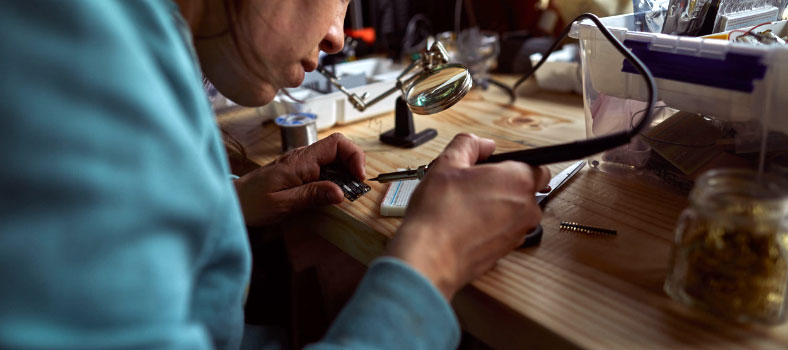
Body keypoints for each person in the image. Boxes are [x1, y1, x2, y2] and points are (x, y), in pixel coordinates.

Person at [0, 0, 549, 349]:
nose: (337, 36)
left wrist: (227, 205)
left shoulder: (134, 38)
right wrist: (432, 264)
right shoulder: (86, 54)